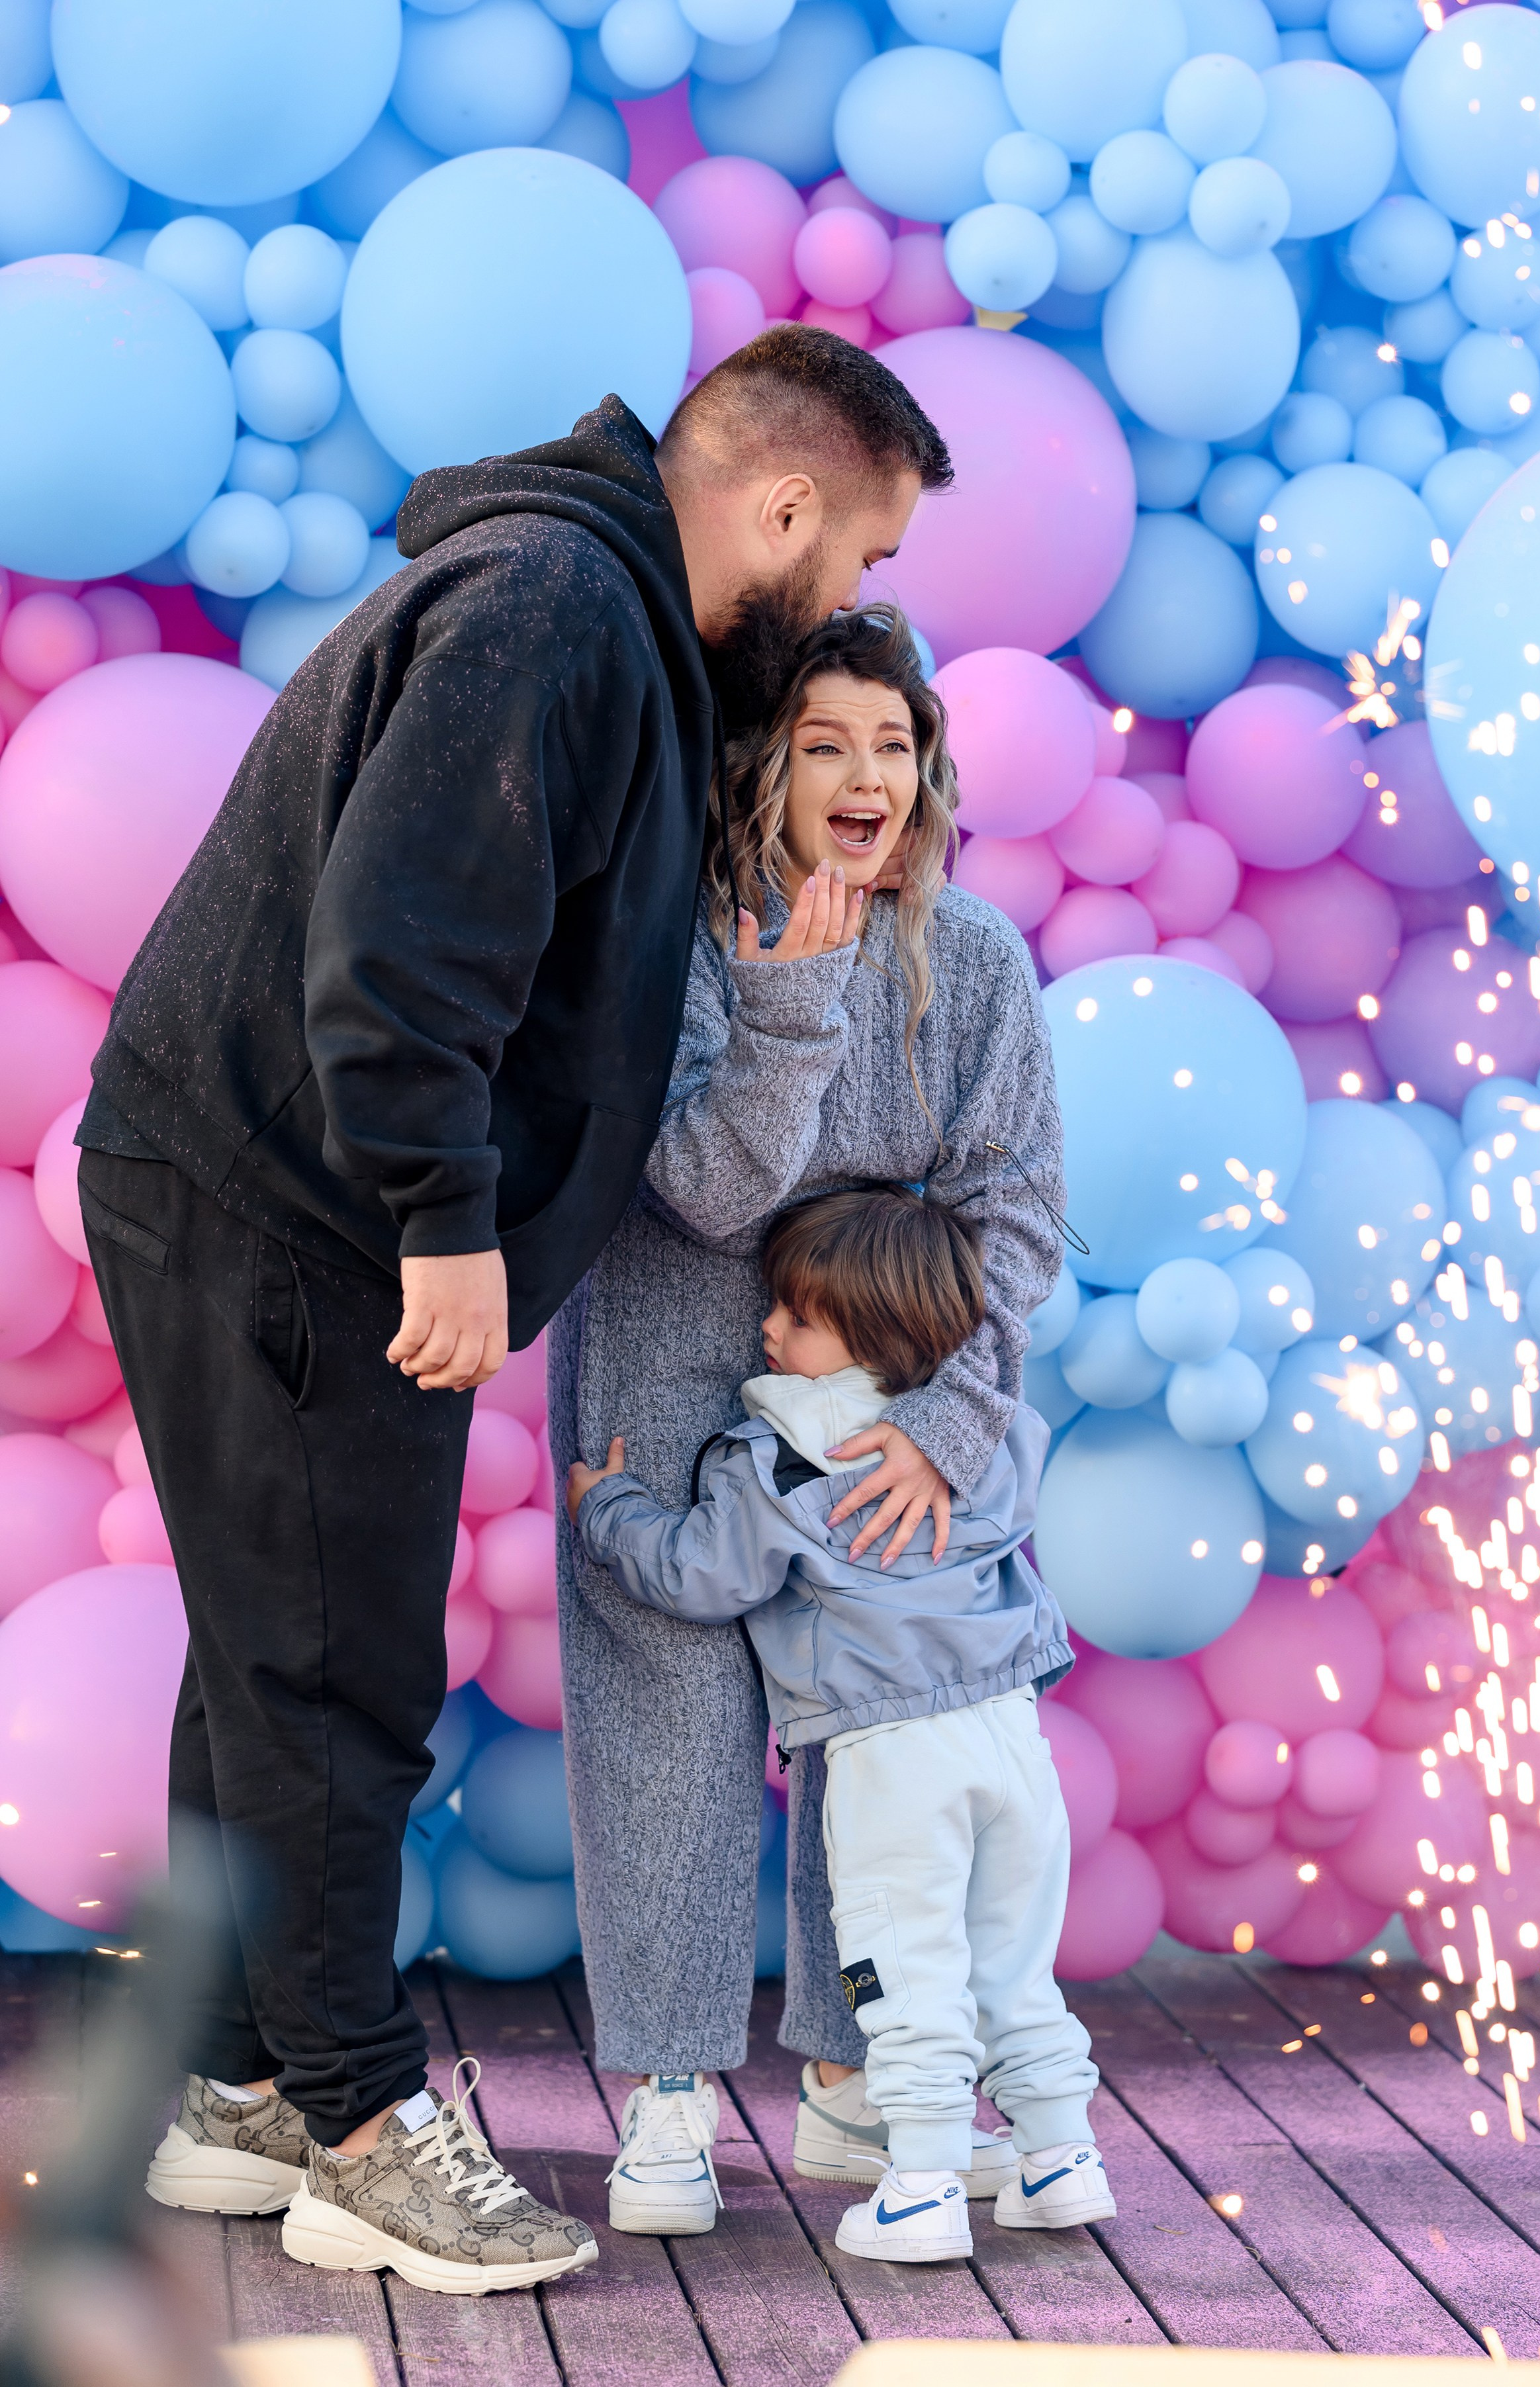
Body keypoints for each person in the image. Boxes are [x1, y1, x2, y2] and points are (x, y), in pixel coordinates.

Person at [75, 325, 951, 2297]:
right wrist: (442, 1219)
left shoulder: (583, 599)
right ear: (788, 506)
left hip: (261, 1176)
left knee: (268, 1649)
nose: (855, 608)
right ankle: (368, 2130)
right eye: (863, 564)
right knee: (337, 1677)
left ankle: (242, 2085)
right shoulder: (557, 601)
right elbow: (406, 935)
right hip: (307, 1202)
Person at [552, 602, 1068, 2237]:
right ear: (764, 770)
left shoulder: (975, 959)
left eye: (893, 747)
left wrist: (957, 1416)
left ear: (931, 773)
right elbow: (705, 1190)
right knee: (676, 1714)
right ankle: (668, 2093)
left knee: (884, 1720)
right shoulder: (677, 941)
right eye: (825, 745)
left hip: (880, 1384)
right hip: (667, 1335)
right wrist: (798, 995)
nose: (865, 777)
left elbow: (1015, 1212)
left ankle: (861, 2084)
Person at [566, 1183, 1108, 2263]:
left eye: (797, 1318)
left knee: (900, 1971)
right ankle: (1059, 2158)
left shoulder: (780, 1461)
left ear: (875, 1339)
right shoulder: (984, 1446)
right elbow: (1028, 1448)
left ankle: (918, 2186)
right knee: (1010, 1964)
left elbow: (698, 1573)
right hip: (1011, 1739)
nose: (766, 1328)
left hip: (888, 1756)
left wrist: (606, 1509)